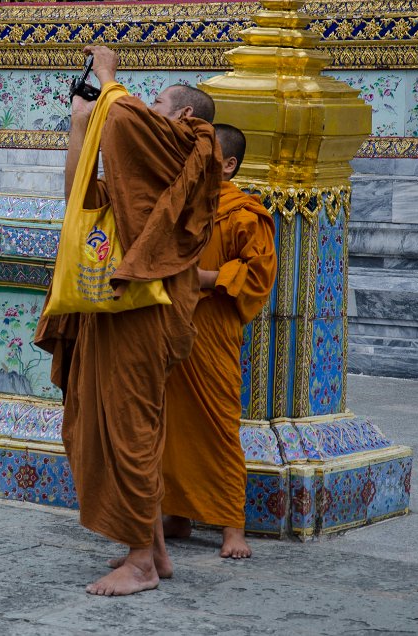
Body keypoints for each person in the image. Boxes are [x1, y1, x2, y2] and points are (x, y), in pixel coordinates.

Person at [34, 45, 223, 596]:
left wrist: (108, 75)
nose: (146, 107)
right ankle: (155, 548)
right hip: (116, 308)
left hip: (146, 312)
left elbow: (121, 117)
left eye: (157, 101)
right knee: (126, 424)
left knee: (131, 428)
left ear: (182, 115)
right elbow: (77, 195)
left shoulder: (190, 145)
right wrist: (78, 124)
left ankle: (140, 563)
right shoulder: (142, 174)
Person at [158, 123, 278, 559]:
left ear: (228, 165)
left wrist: (205, 278)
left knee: (219, 427)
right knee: (169, 426)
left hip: (212, 332)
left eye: (203, 156)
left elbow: (260, 274)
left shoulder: (244, 214)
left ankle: (232, 527)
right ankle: (177, 514)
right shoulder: (181, 203)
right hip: (171, 327)